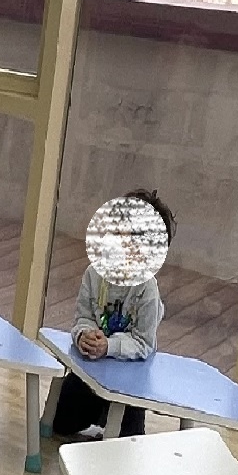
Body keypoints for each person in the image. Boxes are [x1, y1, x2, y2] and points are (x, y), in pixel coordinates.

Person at [45, 188, 174, 446]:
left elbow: (144, 343)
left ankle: (109, 423)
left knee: (127, 443)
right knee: (59, 423)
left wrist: (109, 346)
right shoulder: (94, 274)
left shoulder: (148, 291)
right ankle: (97, 417)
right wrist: (84, 335)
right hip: (90, 370)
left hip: (129, 381)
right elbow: (82, 318)